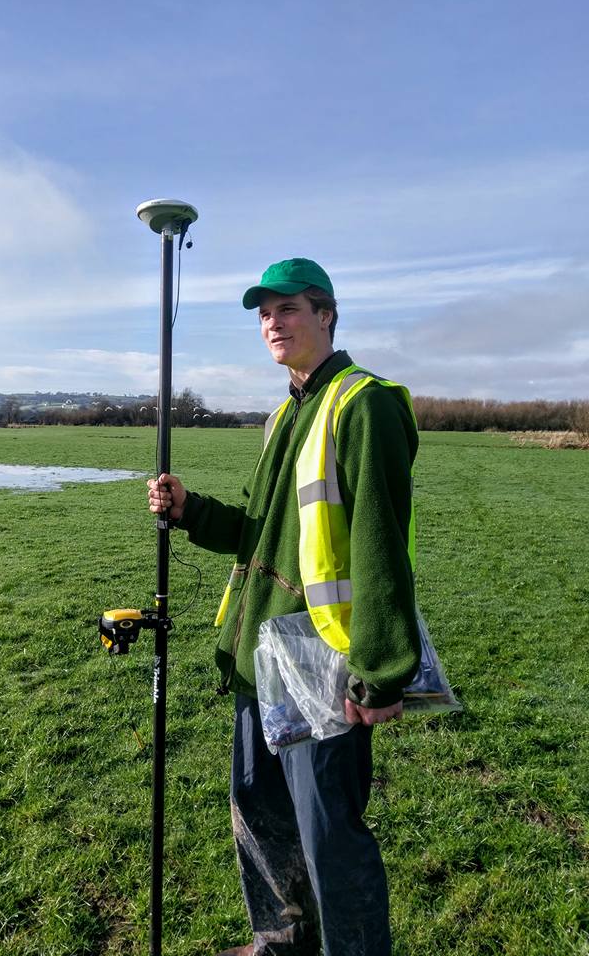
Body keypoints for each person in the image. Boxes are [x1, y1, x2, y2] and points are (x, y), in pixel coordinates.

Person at [148, 258, 420, 956]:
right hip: (261, 652)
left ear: (326, 314)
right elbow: (265, 529)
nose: (273, 322)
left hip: (327, 661)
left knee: (327, 829)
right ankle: (281, 942)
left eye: (289, 308)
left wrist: (382, 669)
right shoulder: (285, 413)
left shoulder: (364, 404)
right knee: (259, 806)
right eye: (264, 313)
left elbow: (380, 542)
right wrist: (193, 513)